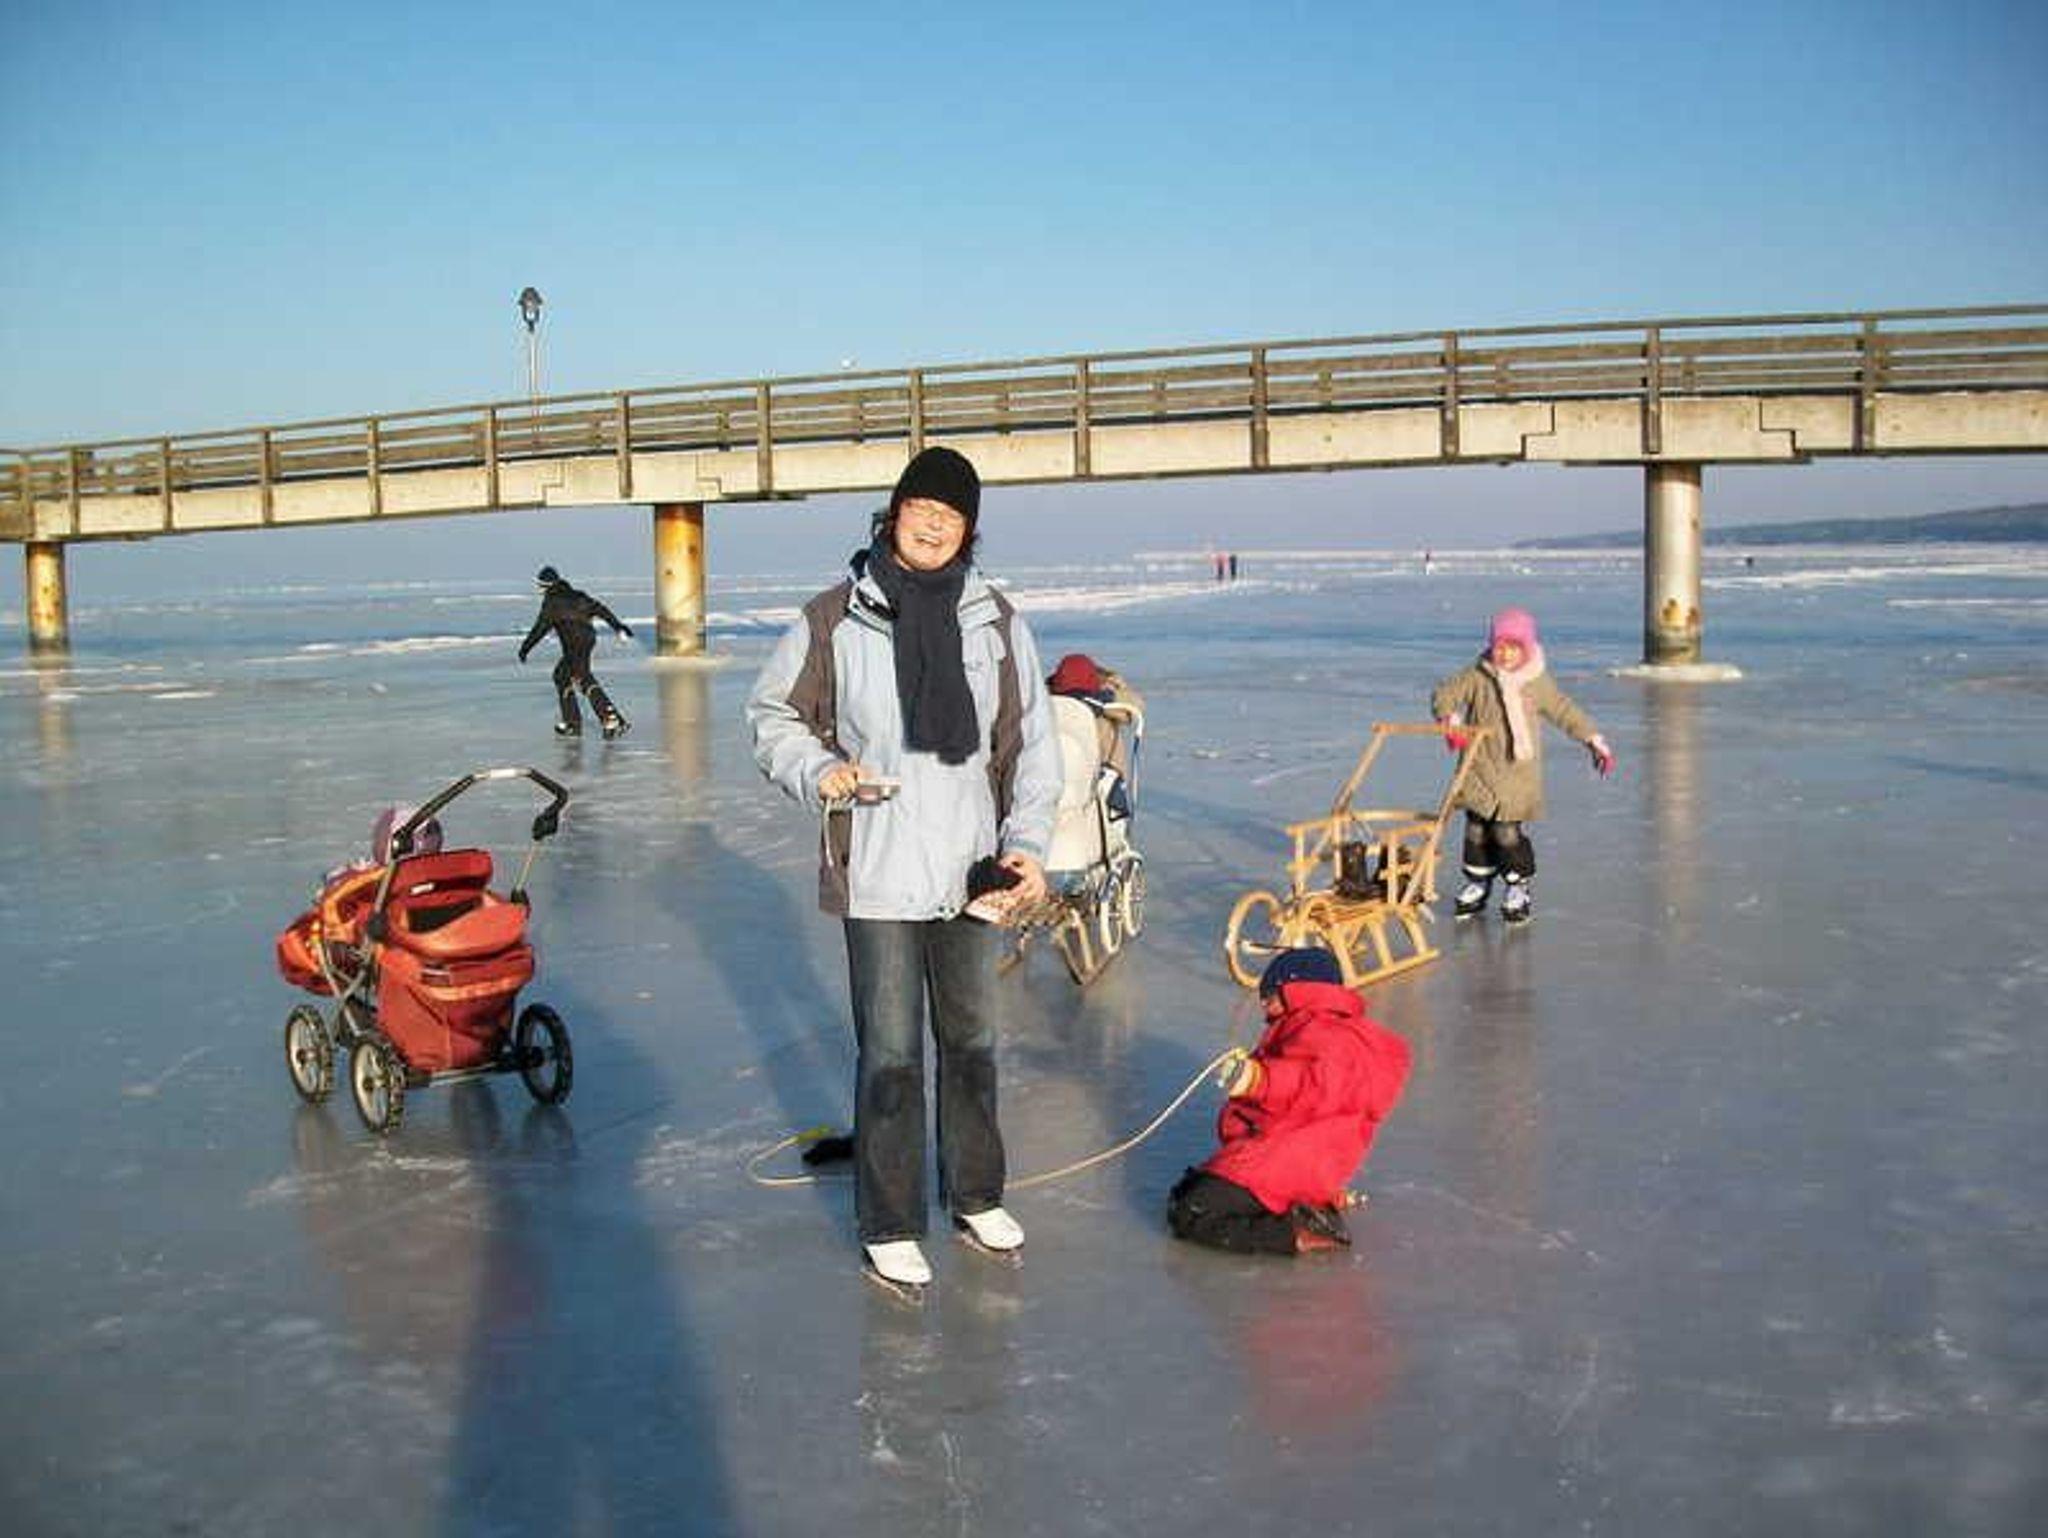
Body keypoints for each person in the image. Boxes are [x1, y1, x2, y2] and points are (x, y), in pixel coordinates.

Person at [747, 445, 1060, 1297]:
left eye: (951, 515)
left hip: (973, 868)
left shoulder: (996, 620)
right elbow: (772, 714)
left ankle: (977, 1195)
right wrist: (820, 772)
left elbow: (1031, 746)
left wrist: (1028, 843)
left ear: (969, 529)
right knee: (889, 1052)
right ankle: (889, 1224)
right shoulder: (835, 618)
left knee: (973, 1042)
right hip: (880, 866)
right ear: (893, 514)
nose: (933, 524)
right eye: (921, 508)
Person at [1167, 949, 1411, 1256]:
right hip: (1296, 1155)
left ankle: (1294, 1234)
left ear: (1297, 990)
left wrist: (1259, 1080)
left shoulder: (1327, 1033)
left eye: (1269, 995)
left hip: (1289, 1158)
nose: (1263, 1004)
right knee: (1188, 1190)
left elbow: (1316, 1083)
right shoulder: (1307, 1027)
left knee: (1191, 1212)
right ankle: (1309, 1203)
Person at [1430, 606, 1614, 924]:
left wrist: (1592, 738)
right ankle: (1478, 882)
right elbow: (1445, 693)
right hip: (1478, 769)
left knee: (1506, 833)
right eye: (1499, 647)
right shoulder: (1478, 674)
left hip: (1516, 774)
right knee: (1476, 830)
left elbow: (1563, 710)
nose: (1505, 655)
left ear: (1526, 649)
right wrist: (1451, 718)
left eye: (1513, 648)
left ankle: (1517, 885)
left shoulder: (1535, 680)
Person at [517, 566, 634, 739]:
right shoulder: (578, 595)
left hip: (573, 643)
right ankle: (574, 722)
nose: (539, 589)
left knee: (582, 677)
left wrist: (525, 648)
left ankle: (610, 719)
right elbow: (601, 609)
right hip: (588, 639)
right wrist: (618, 626)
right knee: (562, 675)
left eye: (540, 586)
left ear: (545, 586)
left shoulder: (552, 602)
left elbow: (540, 628)